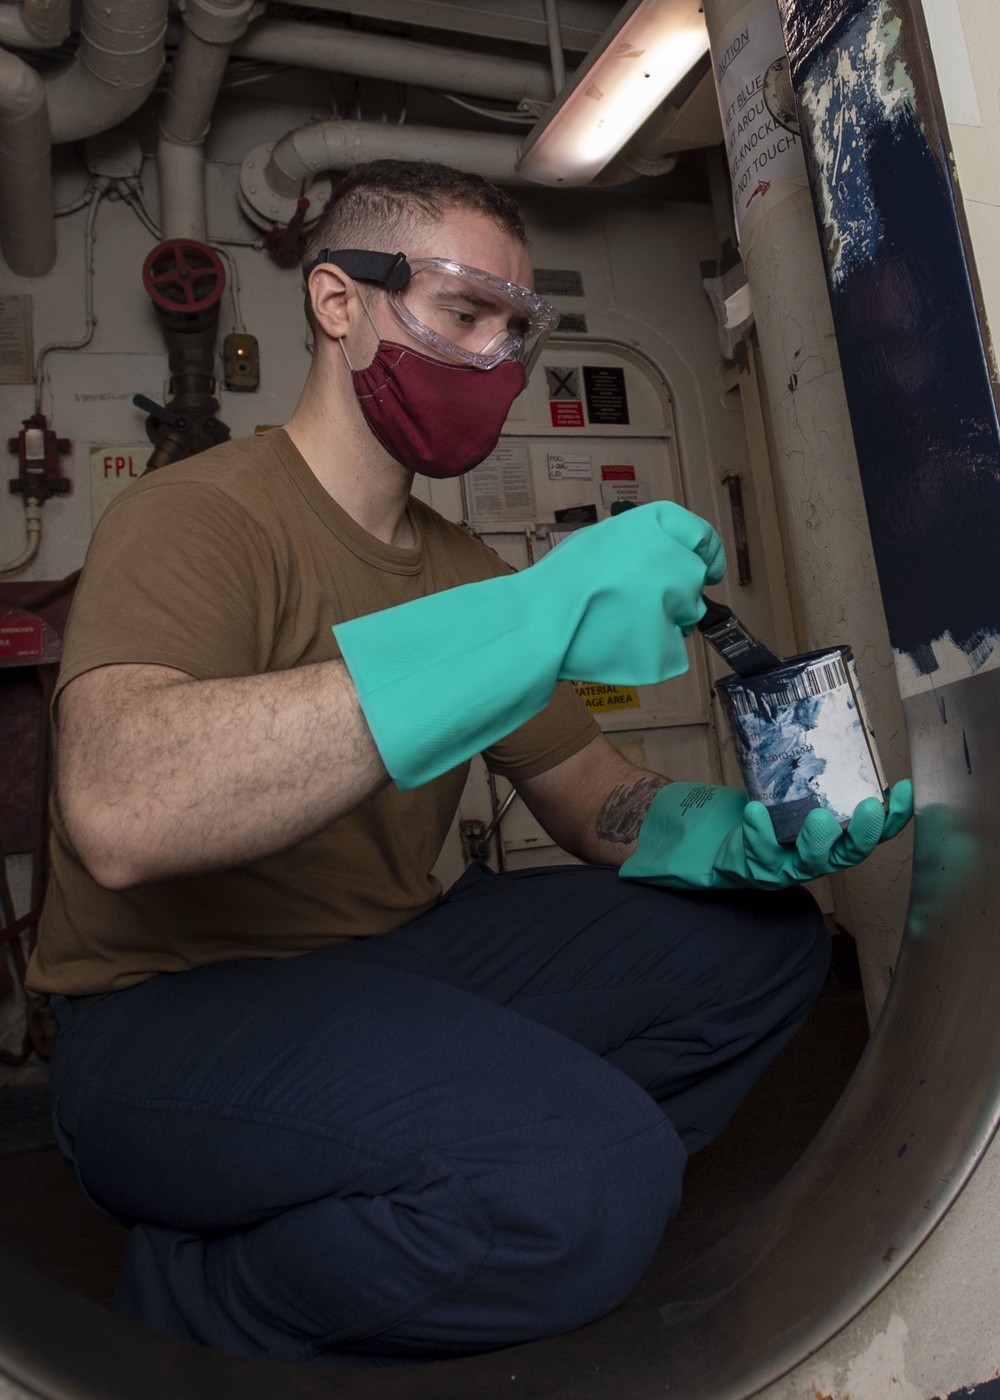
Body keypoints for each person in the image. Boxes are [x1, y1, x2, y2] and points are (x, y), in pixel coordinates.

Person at [28, 159, 912, 1368]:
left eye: (517, 327)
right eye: (461, 313)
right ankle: (212, 1285)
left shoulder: (467, 571)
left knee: (769, 939)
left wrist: (733, 832)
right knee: (589, 1176)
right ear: (338, 303)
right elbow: (125, 812)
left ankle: (464, 1190)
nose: (497, 359)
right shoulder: (198, 515)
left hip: (390, 960)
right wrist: (531, 622)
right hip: (167, 1012)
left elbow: (597, 799)